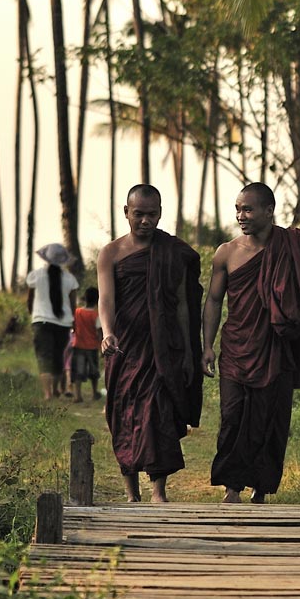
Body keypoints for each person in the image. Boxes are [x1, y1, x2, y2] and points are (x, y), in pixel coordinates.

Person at [203, 182, 300, 504]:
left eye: (247, 209)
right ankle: (232, 488)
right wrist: (207, 345)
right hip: (236, 347)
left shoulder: (292, 247)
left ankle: (260, 490)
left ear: (268, 211)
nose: (240, 215)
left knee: (270, 418)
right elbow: (214, 300)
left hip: (278, 347)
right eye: (237, 209)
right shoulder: (227, 253)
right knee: (233, 416)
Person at [96, 184, 203, 503]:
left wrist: (186, 350)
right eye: (138, 214)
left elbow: (183, 305)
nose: (145, 220)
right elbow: (106, 299)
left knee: (160, 414)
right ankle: (131, 494)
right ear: (126, 212)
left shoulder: (174, 252)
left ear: (160, 213)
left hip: (163, 348)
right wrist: (107, 332)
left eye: (152, 214)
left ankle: (158, 491)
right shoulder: (111, 252)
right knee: (122, 414)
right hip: (125, 347)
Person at [26, 243, 80, 401]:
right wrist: (73, 322)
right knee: (58, 357)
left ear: (46, 258)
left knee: (44, 356)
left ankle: (47, 393)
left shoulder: (36, 275)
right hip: (63, 323)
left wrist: (33, 315)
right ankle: (55, 389)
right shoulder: (70, 279)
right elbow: (73, 305)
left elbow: (29, 300)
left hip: (41, 321)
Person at [69, 287, 102, 403]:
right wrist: (101, 345)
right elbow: (99, 331)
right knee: (93, 371)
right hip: (92, 347)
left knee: (78, 371)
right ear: (97, 300)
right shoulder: (96, 315)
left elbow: (73, 326)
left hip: (78, 345)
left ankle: (78, 395)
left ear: (85, 299)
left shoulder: (77, 312)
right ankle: (94, 393)